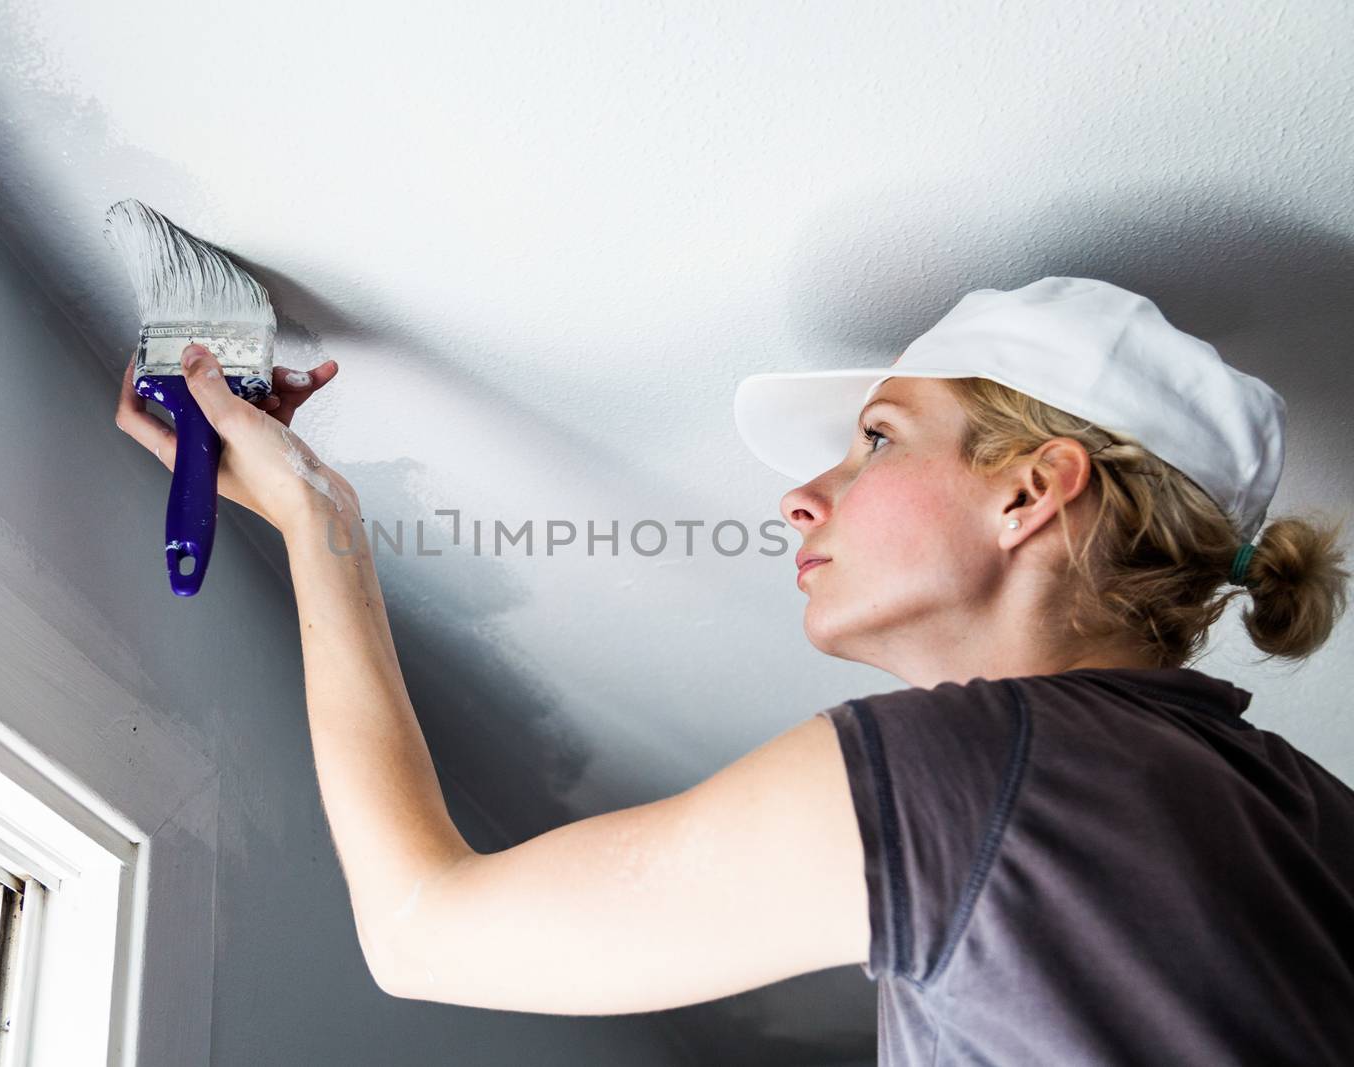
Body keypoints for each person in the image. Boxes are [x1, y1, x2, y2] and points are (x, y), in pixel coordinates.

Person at [116, 276, 1353, 1064]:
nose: (800, 494)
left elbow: (424, 929)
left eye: (876, 439)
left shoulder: (976, 775)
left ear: (1029, 492)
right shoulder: (1308, 811)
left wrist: (317, 521)